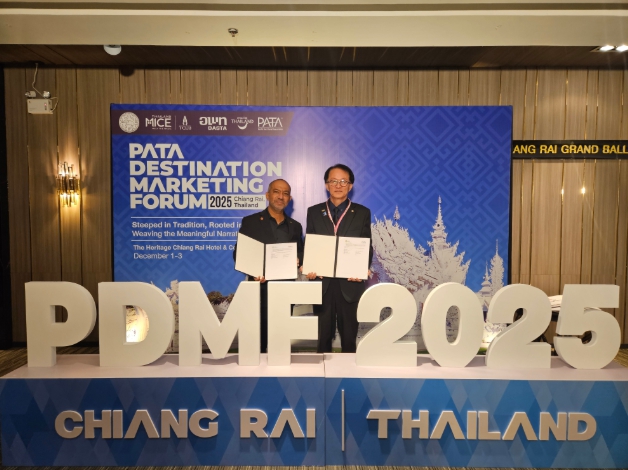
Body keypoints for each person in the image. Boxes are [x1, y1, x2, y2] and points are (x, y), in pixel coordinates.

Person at [305, 164, 372, 353]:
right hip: (322, 283)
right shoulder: (314, 212)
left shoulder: (362, 212)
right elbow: (309, 242)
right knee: (322, 339)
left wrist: (361, 269)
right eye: (333, 181)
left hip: (350, 283)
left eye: (343, 181)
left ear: (350, 186)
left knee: (349, 339)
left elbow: (366, 244)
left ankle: (349, 372)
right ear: (326, 185)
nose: (338, 185)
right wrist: (308, 265)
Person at [234, 179, 304, 353]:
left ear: (289, 199)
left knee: (280, 339)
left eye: (285, 193)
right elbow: (239, 253)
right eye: (276, 192)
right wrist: (253, 271)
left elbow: (301, 252)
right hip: (259, 288)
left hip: (285, 290)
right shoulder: (251, 222)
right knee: (258, 340)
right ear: (267, 195)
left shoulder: (296, 226)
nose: (281, 197)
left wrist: (299, 259)